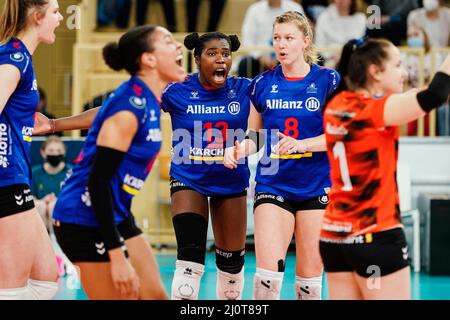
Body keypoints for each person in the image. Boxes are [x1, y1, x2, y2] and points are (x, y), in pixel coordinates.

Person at [51, 25, 186, 300]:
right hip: (83, 217)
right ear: (148, 59)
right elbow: (98, 181)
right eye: (169, 42)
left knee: (155, 296)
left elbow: (102, 113)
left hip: (116, 211)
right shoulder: (129, 106)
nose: (179, 47)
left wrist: (54, 124)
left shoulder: (146, 98)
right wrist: (117, 256)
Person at [320, 37, 450, 299]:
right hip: (375, 236)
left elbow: (418, 96)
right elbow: (435, 94)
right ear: (375, 72)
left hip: (334, 237)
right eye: (398, 65)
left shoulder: (336, 106)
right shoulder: (376, 111)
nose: (404, 72)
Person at [225, 11, 341, 300]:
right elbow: (256, 136)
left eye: (288, 38)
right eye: (276, 38)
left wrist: (303, 145)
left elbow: (341, 135)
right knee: (266, 279)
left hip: (317, 184)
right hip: (273, 183)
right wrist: (239, 149)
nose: (281, 44)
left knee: (310, 281)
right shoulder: (261, 84)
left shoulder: (329, 80)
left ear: (305, 41)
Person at [161, 32, 251, 300]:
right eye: (212, 54)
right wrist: (54, 125)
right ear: (198, 59)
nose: (221, 59)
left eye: (225, 54)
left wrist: (245, 146)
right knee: (189, 259)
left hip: (230, 180)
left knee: (232, 268)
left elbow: (266, 126)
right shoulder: (176, 90)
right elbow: (124, 108)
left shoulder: (246, 88)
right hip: (188, 177)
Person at [0, 0, 63, 300]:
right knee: (11, 286)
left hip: (16, 177)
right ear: (37, 17)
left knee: (46, 276)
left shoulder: (23, 57)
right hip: (5, 180)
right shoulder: (13, 57)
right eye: (55, 12)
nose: (61, 18)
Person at [238, 0, 304, 78]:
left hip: (288, 56)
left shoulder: (295, 8)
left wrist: (282, 55)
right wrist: (260, 56)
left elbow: (301, 36)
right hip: (260, 59)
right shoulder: (254, 10)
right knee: (245, 64)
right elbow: (247, 40)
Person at [32, 135, 71, 232]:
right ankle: (42, 239)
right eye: (51, 151)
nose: (55, 154)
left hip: (61, 213)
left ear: (64, 152)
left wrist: (57, 201)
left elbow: (74, 197)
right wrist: (43, 200)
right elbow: (30, 196)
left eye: (59, 151)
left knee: (53, 206)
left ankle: (55, 241)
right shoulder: (35, 172)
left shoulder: (71, 172)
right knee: (40, 206)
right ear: (43, 153)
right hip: (41, 212)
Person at [315, 0, 366, 66]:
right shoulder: (324, 17)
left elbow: (360, 43)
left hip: (353, 60)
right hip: (329, 60)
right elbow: (319, 43)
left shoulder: (361, 18)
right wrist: (330, 56)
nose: (340, 1)